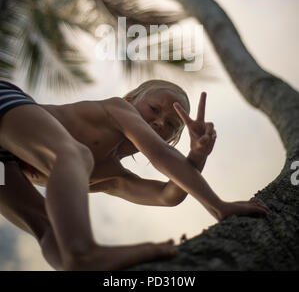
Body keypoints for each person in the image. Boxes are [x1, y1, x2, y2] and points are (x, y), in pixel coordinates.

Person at [0, 79, 270, 271]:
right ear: (132, 100)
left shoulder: (114, 177)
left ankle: (77, 263)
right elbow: (160, 157)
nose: (159, 121)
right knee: (73, 155)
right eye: (154, 109)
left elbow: (167, 195)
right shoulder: (117, 108)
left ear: (173, 139)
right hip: (5, 108)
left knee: (46, 226)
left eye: (171, 125)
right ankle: (83, 254)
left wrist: (197, 156)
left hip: (5, 163)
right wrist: (218, 206)